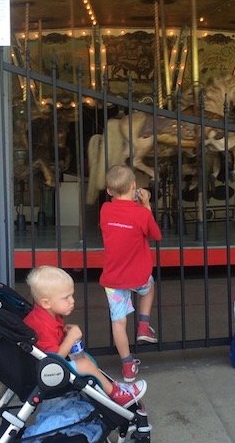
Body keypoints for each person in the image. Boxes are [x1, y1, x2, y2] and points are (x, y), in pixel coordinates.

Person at [23, 265, 147, 407]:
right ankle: (117, 395)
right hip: (46, 372)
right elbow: (53, 358)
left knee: (84, 358)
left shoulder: (48, 315)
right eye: (66, 298)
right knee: (84, 363)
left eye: (72, 295)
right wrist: (71, 338)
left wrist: (65, 333)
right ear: (46, 303)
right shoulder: (43, 325)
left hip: (45, 366)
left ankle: (109, 388)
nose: (72, 301)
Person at [99, 164, 162, 382]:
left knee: (118, 322)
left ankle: (127, 366)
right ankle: (143, 324)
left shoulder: (105, 210)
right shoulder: (141, 213)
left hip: (114, 279)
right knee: (149, 287)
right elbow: (156, 234)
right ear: (134, 186)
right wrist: (146, 204)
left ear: (108, 191)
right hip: (138, 275)